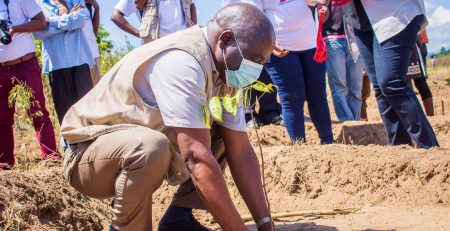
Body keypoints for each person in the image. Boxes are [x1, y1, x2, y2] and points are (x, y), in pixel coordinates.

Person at [61, 4, 275, 231]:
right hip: (87, 155)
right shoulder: (183, 61)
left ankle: (178, 221)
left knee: (221, 133)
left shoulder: (226, 70)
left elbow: (240, 149)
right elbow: (196, 157)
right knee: (151, 147)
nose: (256, 69)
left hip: (135, 148)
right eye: (254, 59)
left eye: (262, 62)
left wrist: (264, 224)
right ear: (226, 39)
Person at [224, 0, 333, 144]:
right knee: (292, 97)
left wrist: (322, 7)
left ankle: (328, 142)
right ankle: (299, 146)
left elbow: (317, 2)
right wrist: (269, 41)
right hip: (280, 47)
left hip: (311, 43)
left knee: (318, 96)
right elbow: (255, 16)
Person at [338, 0, 439, 148]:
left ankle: (429, 147)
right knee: (380, 87)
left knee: (391, 82)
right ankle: (400, 146)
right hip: (359, 21)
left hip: (394, 14)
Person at [0, 0, 60, 169]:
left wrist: (15, 29)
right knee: (2, 118)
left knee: (38, 112)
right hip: (0, 71)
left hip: (24, 64)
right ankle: (4, 164)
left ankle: (51, 158)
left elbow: (41, 22)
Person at [33, 0, 94, 126]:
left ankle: (91, 144)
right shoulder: (38, 3)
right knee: (64, 111)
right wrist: (68, 19)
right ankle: (69, 144)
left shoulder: (76, 1)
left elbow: (80, 21)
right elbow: (38, 32)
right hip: (56, 63)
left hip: (79, 59)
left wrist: (50, 21)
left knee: (87, 110)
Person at [323, 2, 363, 121]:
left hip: (356, 37)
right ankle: (347, 120)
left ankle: (356, 121)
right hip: (332, 37)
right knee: (339, 85)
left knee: (356, 87)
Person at [111, 0, 197, 44]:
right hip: (156, 46)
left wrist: (193, 30)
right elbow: (116, 16)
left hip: (183, 43)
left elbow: (192, 4)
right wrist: (141, 34)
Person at [406, 34, 434, 116]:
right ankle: (416, 117)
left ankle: (427, 117)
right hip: (412, 41)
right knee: (411, 82)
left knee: (416, 82)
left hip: (415, 43)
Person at [84, 0, 102, 85]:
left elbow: (94, 29)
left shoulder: (87, 3)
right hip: (76, 58)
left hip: (93, 54)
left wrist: (96, 7)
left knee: (97, 92)